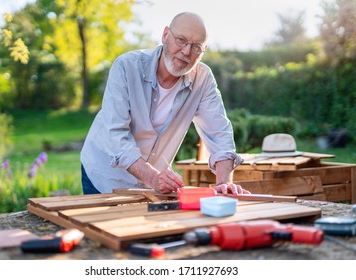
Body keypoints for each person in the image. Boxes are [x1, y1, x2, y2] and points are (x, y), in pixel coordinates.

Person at [80, 12, 250, 195]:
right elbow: (116, 136)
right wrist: (153, 178)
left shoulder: (203, 79)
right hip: (104, 174)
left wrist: (224, 184)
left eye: (196, 48)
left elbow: (219, 135)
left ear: (203, 52)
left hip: (151, 182)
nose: (186, 51)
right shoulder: (126, 67)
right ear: (165, 35)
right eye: (181, 40)